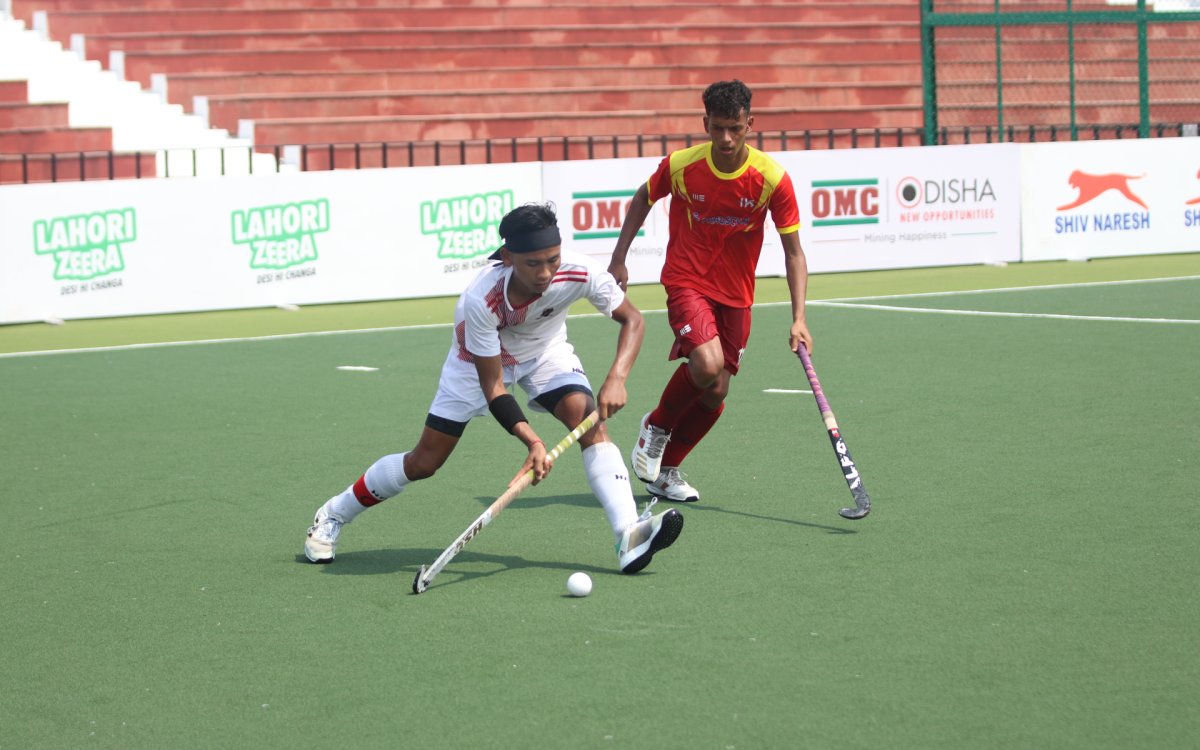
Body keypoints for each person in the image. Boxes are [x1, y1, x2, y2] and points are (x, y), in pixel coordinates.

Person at [305, 202, 683, 574]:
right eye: (532, 263)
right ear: (507, 256)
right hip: (478, 363)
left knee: (589, 421)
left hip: (543, 350)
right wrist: (534, 442)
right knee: (424, 462)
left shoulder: (581, 271)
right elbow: (494, 385)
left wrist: (617, 376)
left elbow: (632, 319)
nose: (545, 273)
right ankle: (334, 513)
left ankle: (628, 536)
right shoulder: (481, 299)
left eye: (552, 259)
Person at [607, 79, 813, 503]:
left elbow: (794, 253)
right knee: (706, 364)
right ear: (705, 123)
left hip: (736, 293)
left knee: (717, 388)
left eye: (734, 128)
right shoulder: (682, 165)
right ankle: (657, 426)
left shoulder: (771, 179)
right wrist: (619, 256)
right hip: (687, 279)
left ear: (749, 124)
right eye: (717, 127)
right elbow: (644, 197)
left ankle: (666, 471)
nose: (725, 138)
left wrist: (798, 317)